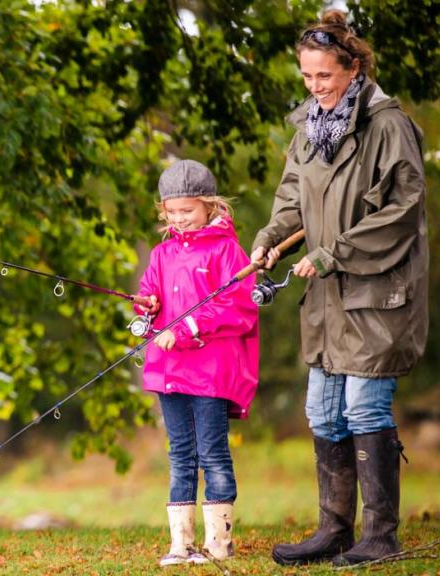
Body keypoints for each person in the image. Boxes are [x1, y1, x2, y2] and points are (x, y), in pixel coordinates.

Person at [251, 9, 428, 567]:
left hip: (376, 296)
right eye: (306, 77)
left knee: (363, 407)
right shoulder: (308, 128)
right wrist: (270, 240)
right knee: (323, 413)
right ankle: (334, 530)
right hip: (326, 300)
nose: (314, 87)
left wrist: (332, 255)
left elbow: (403, 210)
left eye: (323, 76)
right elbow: (290, 198)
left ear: (352, 68)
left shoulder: (387, 125)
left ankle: (381, 536)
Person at [134, 159, 259, 566]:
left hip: (210, 372)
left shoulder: (227, 250)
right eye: (172, 212)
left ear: (210, 206)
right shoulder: (161, 253)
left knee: (213, 453)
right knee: (180, 453)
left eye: (187, 210)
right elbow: (148, 292)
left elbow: (239, 307)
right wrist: (148, 305)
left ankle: (219, 543)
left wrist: (186, 327)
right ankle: (181, 544)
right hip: (169, 370)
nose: (180, 219)